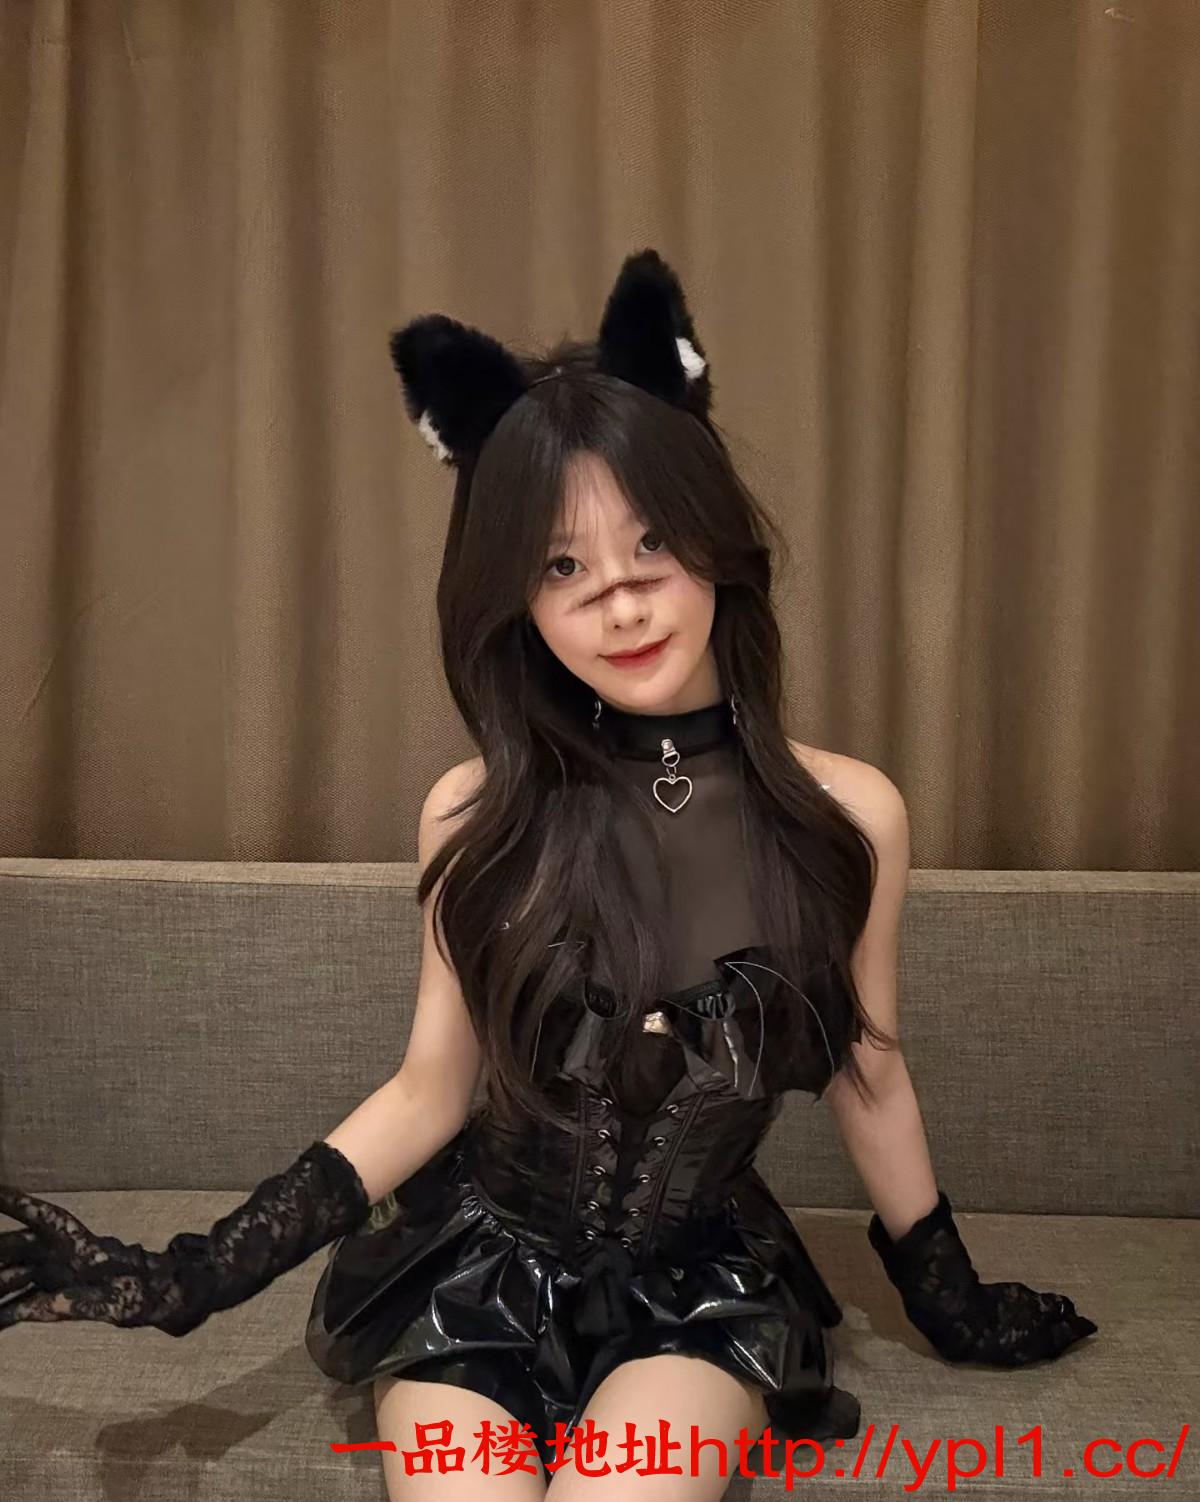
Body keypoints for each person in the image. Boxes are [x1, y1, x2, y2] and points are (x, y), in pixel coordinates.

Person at [0, 247, 1097, 1500]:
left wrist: (950, 1296)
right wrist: (199, 1268)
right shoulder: (475, 810)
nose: (620, 599)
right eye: (562, 565)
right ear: (513, 598)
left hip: (696, 1289)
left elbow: (872, 1070)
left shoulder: (850, 814)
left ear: (715, 537)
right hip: (471, 1271)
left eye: (652, 541)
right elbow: (427, 1090)